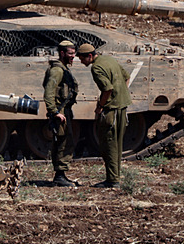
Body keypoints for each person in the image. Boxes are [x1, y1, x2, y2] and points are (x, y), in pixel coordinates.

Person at [77, 43, 132, 188]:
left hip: (111, 110)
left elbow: (107, 89)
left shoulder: (96, 68)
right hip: (121, 107)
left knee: (109, 145)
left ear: (89, 56)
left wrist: (100, 106)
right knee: (117, 144)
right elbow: (127, 77)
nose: (81, 62)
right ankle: (115, 176)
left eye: (82, 59)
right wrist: (120, 95)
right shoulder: (109, 60)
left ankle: (113, 180)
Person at [43, 40, 78, 187]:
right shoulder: (57, 70)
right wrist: (54, 111)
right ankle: (60, 175)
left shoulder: (62, 68)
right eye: (70, 53)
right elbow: (49, 92)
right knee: (62, 143)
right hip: (60, 111)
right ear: (62, 53)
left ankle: (61, 174)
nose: (73, 56)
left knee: (65, 141)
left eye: (74, 53)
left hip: (64, 110)